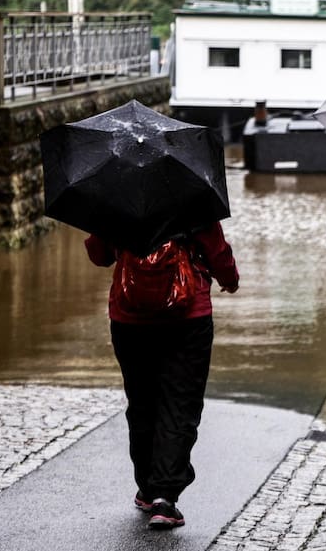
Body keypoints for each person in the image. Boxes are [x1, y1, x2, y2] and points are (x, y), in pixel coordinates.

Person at [85, 222, 239, 530]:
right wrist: (229, 279)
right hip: (188, 316)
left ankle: (148, 487)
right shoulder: (192, 193)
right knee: (180, 403)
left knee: (142, 402)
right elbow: (217, 250)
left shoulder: (117, 196)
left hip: (130, 316)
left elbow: (99, 254)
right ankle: (165, 497)